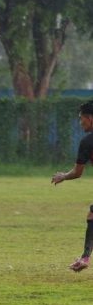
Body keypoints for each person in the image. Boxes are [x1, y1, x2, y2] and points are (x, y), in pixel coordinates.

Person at [52, 100, 93, 272]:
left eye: (81, 118)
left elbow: (77, 172)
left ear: (90, 118)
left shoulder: (87, 142)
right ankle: (85, 257)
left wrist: (63, 176)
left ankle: (85, 258)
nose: (80, 122)